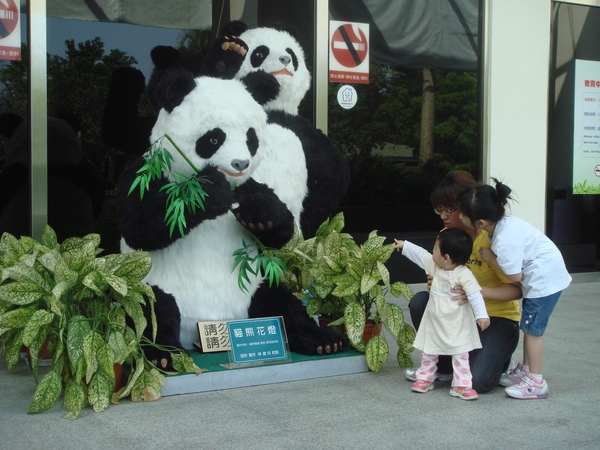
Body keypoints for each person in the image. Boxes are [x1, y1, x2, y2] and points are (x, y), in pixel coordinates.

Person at [403, 170, 523, 394]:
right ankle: (444, 367)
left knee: (479, 382)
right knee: (421, 301)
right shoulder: (447, 235)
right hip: (456, 316)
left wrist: (477, 292)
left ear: (468, 207)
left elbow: (517, 290)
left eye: (449, 210)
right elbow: (435, 267)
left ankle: (504, 362)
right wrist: (436, 283)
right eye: (439, 210)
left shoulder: (492, 240)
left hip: (495, 318)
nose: (443, 217)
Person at [459, 178, 571, 399]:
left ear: (480, 223)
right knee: (529, 327)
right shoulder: (502, 225)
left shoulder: (503, 242)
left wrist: (491, 259)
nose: (459, 216)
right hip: (543, 277)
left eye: (463, 214)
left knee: (532, 332)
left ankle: (536, 382)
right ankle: (526, 372)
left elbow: (514, 276)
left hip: (543, 282)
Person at [394, 228, 490, 400]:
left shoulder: (464, 274)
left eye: (436, 249)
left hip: (457, 323)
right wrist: (404, 246)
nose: (432, 252)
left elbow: (475, 295)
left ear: (446, 257)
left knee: (461, 354)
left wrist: (481, 315)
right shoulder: (434, 264)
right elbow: (420, 255)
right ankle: (425, 378)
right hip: (434, 320)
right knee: (429, 351)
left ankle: (461, 384)